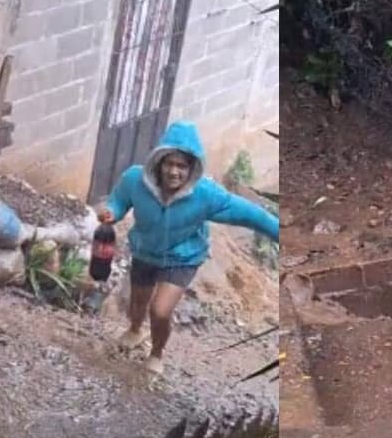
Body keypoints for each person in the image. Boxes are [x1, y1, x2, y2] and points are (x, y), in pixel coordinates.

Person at [98, 121, 279, 375]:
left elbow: (252, 215)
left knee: (160, 310)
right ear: (158, 163)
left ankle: (156, 353)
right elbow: (119, 201)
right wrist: (111, 213)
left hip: (183, 256)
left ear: (192, 168)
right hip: (145, 250)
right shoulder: (134, 180)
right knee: (137, 303)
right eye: (169, 164)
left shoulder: (206, 194)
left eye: (181, 166)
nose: (174, 172)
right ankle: (135, 330)